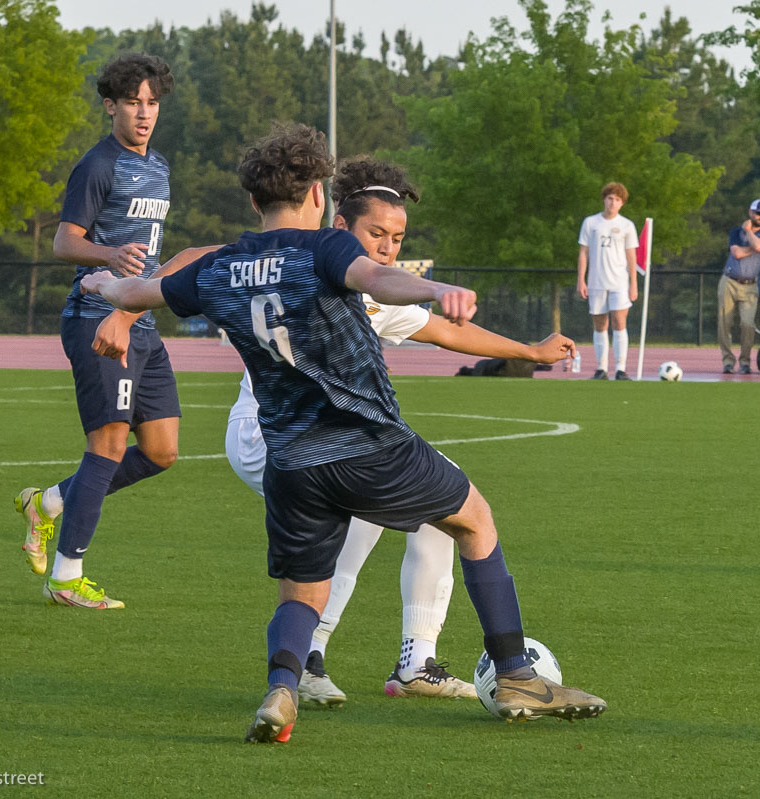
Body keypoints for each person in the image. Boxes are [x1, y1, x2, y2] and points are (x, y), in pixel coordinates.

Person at [80, 123, 605, 742]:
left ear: (254, 201)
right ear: (320, 197)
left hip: (290, 461)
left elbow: (148, 286)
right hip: (368, 444)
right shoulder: (324, 250)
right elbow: (380, 280)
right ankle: (515, 673)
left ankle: (282, 688)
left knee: (302, 589)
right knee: (474, 519)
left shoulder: (222, 268)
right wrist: (440, 287)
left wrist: (106, 288)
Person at [225, 156, 575, 706]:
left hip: (310, 439)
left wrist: (528, 351)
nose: (388, 246)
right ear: (339, 226)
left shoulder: (366, 284)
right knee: (362, 516)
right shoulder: (321, 266)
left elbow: (445, 332)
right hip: (272, 434)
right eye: (376, 234)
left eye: (397, 236)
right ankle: (313, 660)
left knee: (438, 512)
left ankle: (411, 660)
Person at [14, 54, 206, 609]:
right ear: (111, 105)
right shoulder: (98, 165)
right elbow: (63, 242)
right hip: (95, 317)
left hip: (140, 318)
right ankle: (66, 576)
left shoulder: (161, 166)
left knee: (163, 451)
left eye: (152, 103)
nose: (144, 114)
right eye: (133, 103)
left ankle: (48, 503)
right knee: (108, 444)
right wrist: (108, 254)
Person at [576, 182, 638, 380]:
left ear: (622, 204)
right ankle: (601, 368)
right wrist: (581, 280)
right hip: (596, 281)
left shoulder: (627, 225)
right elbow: (583, 252)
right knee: (599, 323)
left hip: (619, 282)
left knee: (619, 323)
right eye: (610, 198)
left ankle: (620, 369)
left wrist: (633, 283)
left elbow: (631, 256)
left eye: (617, 200)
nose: (613, 203)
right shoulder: (590, 223)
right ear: (604, 199)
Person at [719, 199, 760, 374]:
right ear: (750, 212)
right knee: (724, 322)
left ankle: (745, 361)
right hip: (729, 280)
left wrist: (749, 232)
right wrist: (756, 248)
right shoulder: (736, 232)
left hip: (750, 284)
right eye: (758, 213)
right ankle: (728, 361)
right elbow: (736, 253)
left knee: (747, 324)